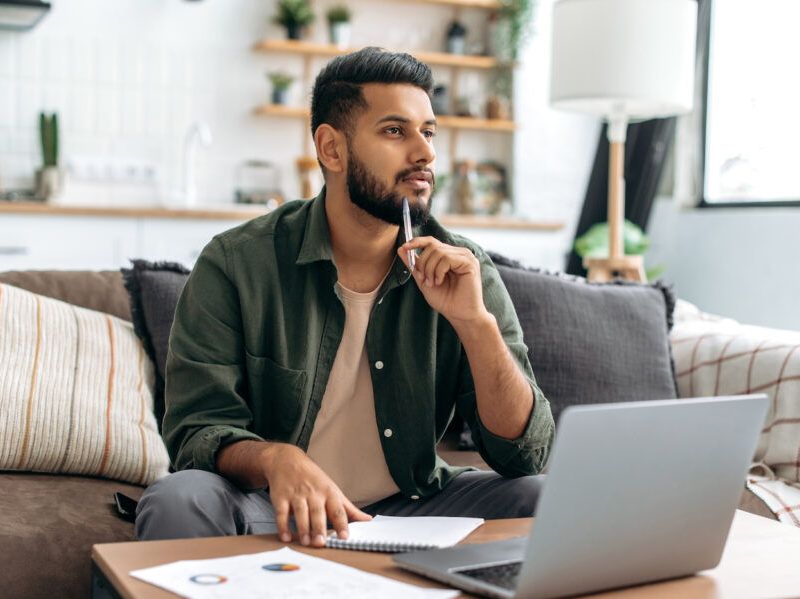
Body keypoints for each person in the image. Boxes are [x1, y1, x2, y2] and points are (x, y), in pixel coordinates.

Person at [135, 47, 554, 547]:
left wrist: (476, 325)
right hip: (274, 507)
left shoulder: (465, 268)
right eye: (395, 131)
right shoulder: (236, 264)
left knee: (544, 497)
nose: (424, 153)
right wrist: (277, 459)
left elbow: (524, 456)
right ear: (332, 149)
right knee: (178, 499)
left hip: (414, 503)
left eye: (428, 132)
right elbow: (194, 432)